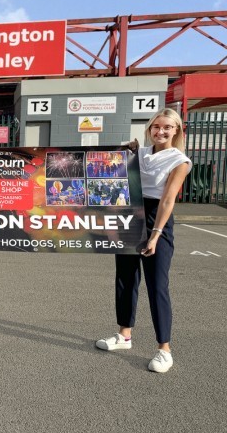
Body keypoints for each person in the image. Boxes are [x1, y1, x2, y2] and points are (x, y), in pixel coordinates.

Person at [96, 108, 192, 373]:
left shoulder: (180, 160)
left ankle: (164, 349)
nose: (160, 132)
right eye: (156, 127)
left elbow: (168, 199)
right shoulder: (139, 153)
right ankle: (124, 335)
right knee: (125, 278)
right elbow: (114, 175)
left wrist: (156, 234)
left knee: (157, 284)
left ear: (177, 131)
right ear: (150, 129)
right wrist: (123, 151)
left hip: (156, 219)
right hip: (129, 215)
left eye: (167, 127)